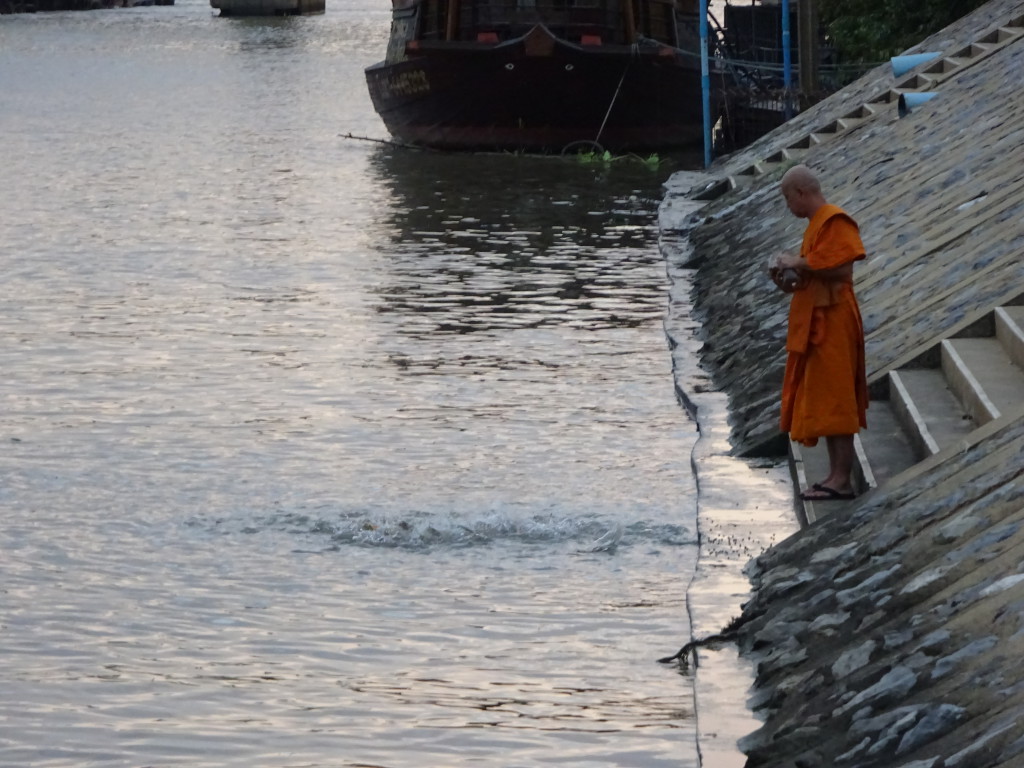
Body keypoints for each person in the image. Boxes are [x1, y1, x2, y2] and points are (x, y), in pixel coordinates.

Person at [769, 165, 868, 501]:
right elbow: (817, 272)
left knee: (838, 398)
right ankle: (834, 475)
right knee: (827, 400)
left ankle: (841, 479)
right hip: (818, 321)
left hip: (835, 320)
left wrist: (798, 263)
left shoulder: (834, 219)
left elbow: (842, 266)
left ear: (800, 192)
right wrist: (786, 277)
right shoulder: (815, 226)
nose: (788, 206)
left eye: (787, 198)